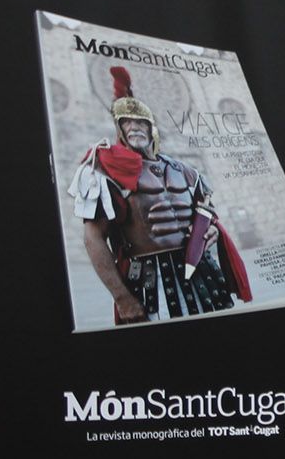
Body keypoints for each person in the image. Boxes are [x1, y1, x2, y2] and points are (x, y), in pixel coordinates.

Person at [69, 66, 250, 323]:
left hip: (203, 274)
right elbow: (93, 238)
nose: (135, 127)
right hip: (150, 281)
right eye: (127, 122)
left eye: (141, 122)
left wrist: (212, 230)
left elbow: (208, 215)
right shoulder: (107, 171)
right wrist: (122, 298)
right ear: (118, 128)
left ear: (152, 126)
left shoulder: (184, 171)